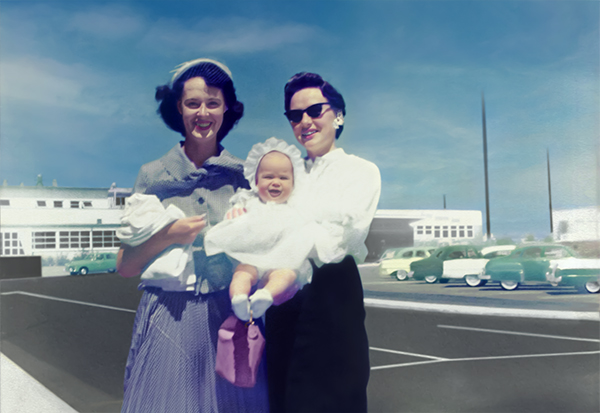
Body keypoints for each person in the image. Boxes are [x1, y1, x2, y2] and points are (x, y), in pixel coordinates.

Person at [116, 58, 269, 413]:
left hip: (231, 316)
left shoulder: (246, 177)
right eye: (193, 103)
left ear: (227, 108)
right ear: (178, 108)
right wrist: (168, 235)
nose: (203, 113)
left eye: (213, 103)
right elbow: (125, 265)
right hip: (169, 317)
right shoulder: (152, 176)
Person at [265, 72, 381, 413]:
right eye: (294, 115)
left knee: (335, 400)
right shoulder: (284, 174)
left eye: (315, 110)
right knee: (283, 399)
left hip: (333, 297)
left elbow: (338, 241)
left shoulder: (360, 171)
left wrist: (285, 225)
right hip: (283, 300)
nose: (305, 121)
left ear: (338, 115)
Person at [204, 137, 314, 322]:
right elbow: (235, 213)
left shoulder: (295, 206)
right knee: (242, 273)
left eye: (283, 178)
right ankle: (238, 298)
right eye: (268, 177)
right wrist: (235, 213)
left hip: (282, 259)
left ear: (294, 183)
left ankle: (266, 295)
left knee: (286, 274)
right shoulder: (248, 200)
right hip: (251, 256)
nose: (276, 182)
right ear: (255, 181)